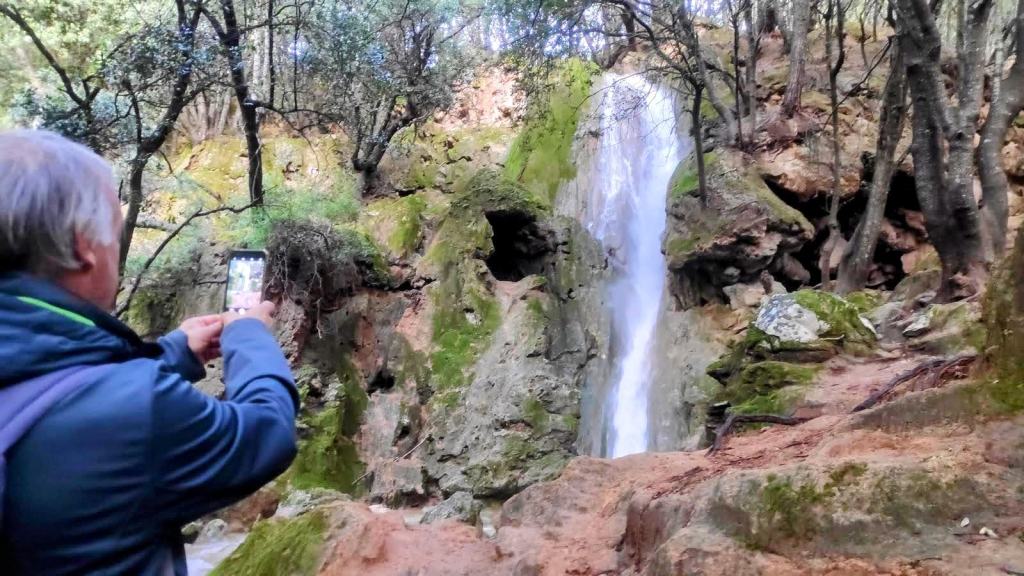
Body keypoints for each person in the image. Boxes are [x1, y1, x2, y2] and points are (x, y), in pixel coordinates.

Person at [0, 129, 299, 575]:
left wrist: (173, 353)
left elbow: (57, 388)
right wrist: (248, 335)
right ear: (84, 248)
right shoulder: (139, 408)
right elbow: (266, 432)